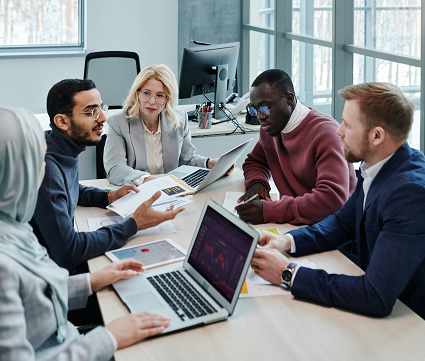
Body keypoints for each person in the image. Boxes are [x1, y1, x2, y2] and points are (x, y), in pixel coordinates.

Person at [0, 107, 170, 360]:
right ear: (15, 171)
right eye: (37, 161)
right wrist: (108, 337)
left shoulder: (14, 227)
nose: (44, 172)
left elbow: (36, 295)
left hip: (70, 339)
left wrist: (92, 281)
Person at [251, 82, 425, 319]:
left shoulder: (409, 195)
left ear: (377, 136)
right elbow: (342, 224)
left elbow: (374, 297)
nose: (338, 130)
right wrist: (285, 242)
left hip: (411, 322)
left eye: (348, 125)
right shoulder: (377, 164)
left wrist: (287, 273)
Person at [30, 79, 184, 272]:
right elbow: (68, 251)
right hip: (49, 277)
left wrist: (107, 196)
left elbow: (70, 187)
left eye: (101, 107)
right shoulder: (48, 168)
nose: (103, 117)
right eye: (91, 111)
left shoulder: (59, 145)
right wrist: (133, 225)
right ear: (62, 121)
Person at [235, 69, 356, 225]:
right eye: (254, 109)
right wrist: (257, 183)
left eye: (265, 108)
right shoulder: (271, 128)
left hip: (333, 230)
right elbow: (256, 162)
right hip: (297, 224)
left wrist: (271, 211)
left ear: (288, 99)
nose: (260, 117)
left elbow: (332, 199)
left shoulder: (326, 134)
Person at [103, 64, 233, 186]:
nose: (152, 101)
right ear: (137, 94)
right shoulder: (118, 123)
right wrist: (149, 180)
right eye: (146, 93)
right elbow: (115, 168)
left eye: (160, 95)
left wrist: (210, 163)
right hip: (136, 191)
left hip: (170, 192)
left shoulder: (179, 119)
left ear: (168, 99)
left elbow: (187, 160)